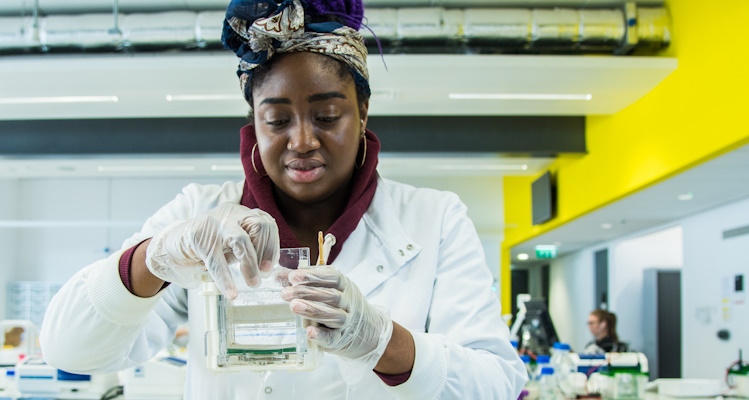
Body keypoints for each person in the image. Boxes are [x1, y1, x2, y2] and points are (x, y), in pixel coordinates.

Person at [39, 0, 526, 397]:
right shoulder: (197, 214)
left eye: (328, 116)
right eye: (276, 120)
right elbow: (70, 351)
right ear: (253, 120)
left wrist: (382, 341)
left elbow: (498, 383)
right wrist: (156, 258)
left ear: (363, 113)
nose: (301, 141)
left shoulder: (434, 219)